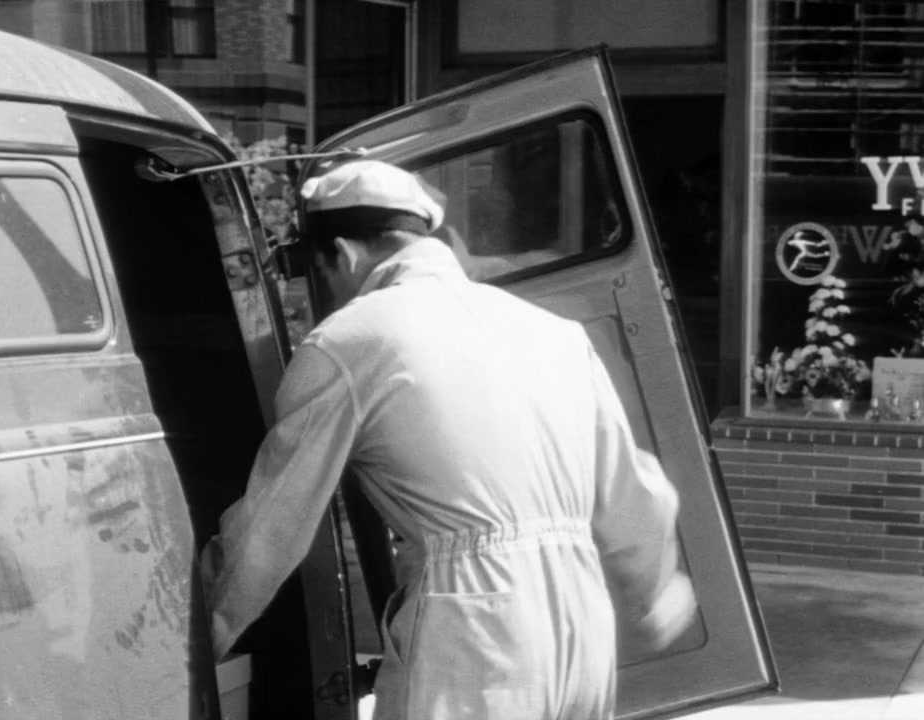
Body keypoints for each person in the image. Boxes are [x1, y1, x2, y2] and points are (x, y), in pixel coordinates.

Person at [204, 159, 697, 719]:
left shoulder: (350, 340)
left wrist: (197, 638)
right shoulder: (555, 333)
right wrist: (656, 592)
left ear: (343, 255)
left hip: (475, 635)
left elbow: (273, 527)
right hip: (583, 627)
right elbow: (634, 491)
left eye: (323, 275)